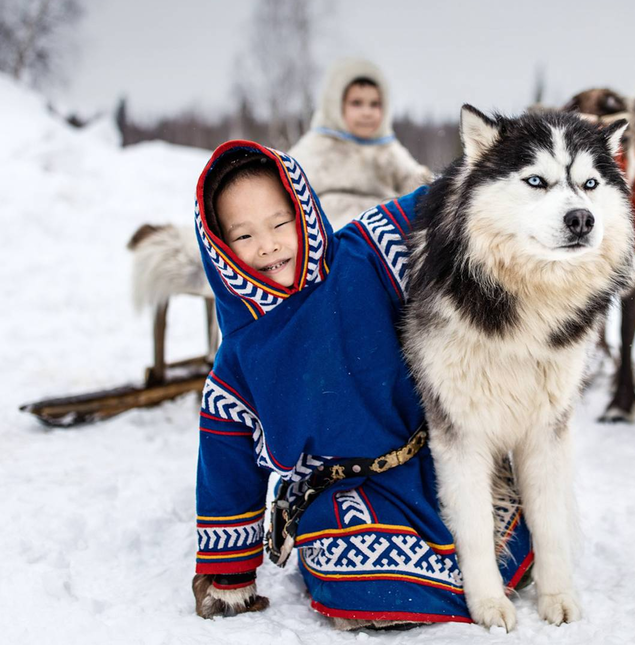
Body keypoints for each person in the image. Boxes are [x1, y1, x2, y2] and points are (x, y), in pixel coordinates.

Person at [190, 141, 531, 629]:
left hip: (428, 460)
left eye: (280, 224)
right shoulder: (240, 361)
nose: (266, 245)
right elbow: (227, 470)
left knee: (507, 518)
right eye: (242, 235)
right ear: (219, 248)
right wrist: (230, 577)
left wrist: (511, 153)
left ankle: (466, 570)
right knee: (342, 561)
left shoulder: (364, 255)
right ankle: (396, 592)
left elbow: (437, 199)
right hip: (342, 491)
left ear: (303, 211)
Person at [289, 57, 433, 229]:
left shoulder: (386, 149)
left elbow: (413, 182)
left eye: (375, 105)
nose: (367, 113)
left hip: (380, 229)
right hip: (329, 229)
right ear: (336, 105)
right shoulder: (317, 146)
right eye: (356, 103)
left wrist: (431, 186)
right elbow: (289, 183)